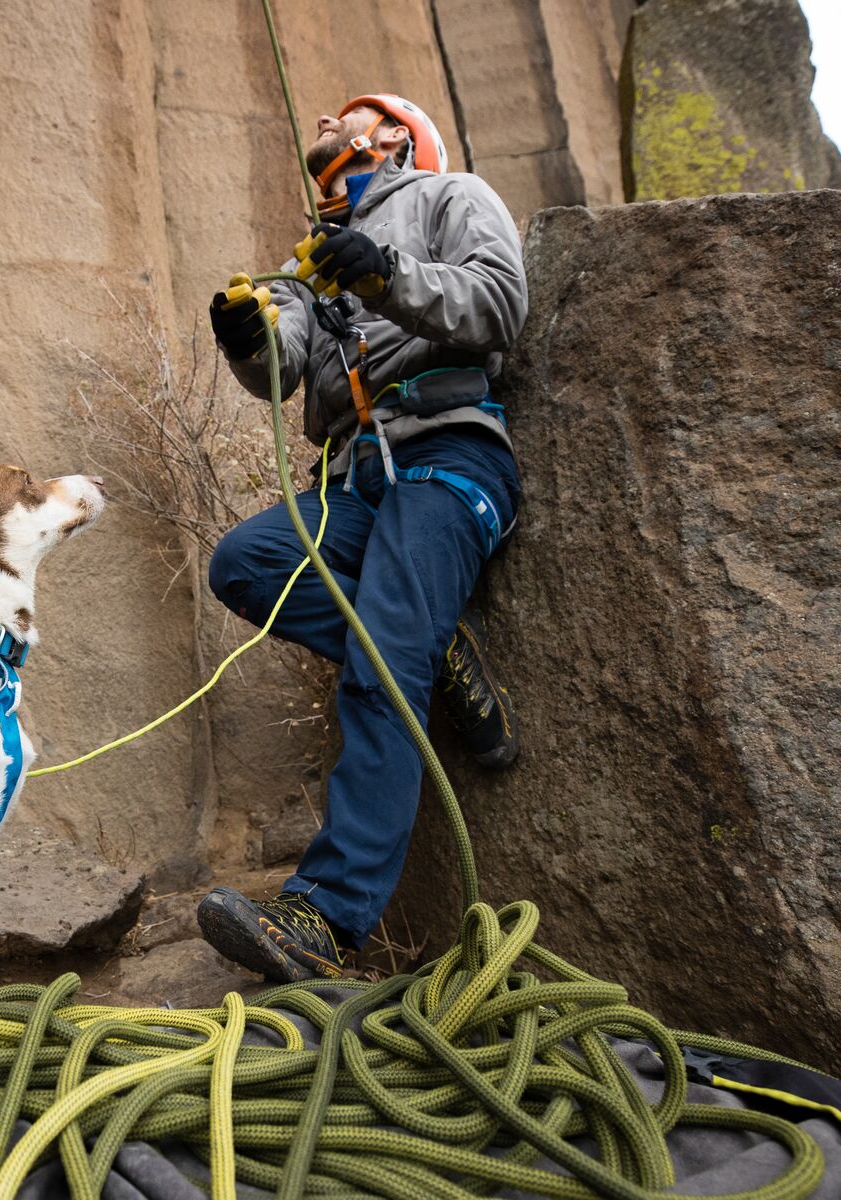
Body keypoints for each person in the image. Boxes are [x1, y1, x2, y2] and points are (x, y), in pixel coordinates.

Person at [196, 94, 528, 981]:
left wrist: (383, 274)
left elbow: (499, 302)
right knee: (247, 565)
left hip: (448, 454)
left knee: (384, 656)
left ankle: (325, 918)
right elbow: (282, 366)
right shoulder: (308, 260)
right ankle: (432, 646)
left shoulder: (451, 196)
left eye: (355, 112)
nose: (329, 120)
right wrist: (248, 336)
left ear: (397, 137)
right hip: (352, 479)